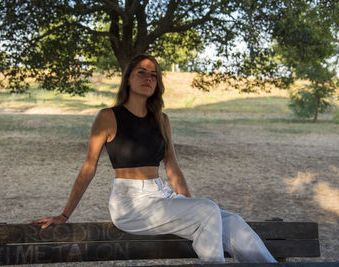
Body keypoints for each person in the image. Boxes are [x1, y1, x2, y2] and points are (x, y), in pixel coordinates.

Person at [31, 54, 277, 264]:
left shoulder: (162, 119)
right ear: (128, 78)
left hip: (162, 198)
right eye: (141, 72)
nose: (148, 78)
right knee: (208, 210)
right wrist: (64, 215)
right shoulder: (108, 117)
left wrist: (191, 211)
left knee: (232, 221)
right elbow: (88, 167)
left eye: (154, 75)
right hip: (130, 205)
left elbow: (173, 169)